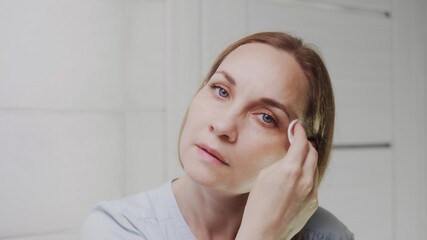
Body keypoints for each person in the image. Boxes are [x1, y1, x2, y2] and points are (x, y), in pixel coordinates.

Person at [81, 32, 354, 240]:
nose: (223, 126)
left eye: (266, 117)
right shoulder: (117, 227)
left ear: (302, 152)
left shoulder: (326, 235)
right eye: (221, 90)